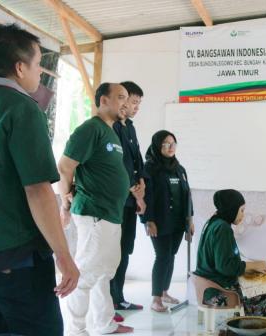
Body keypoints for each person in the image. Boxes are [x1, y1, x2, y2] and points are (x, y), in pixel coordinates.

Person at [0, 24, 79, 336]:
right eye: (38, 64)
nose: (40, 73)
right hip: (13, 254)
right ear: (20, 66)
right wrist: (64, 257)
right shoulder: (21, 108)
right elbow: (38, 190)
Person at [58, 83, 133, 334]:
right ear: (103, 100)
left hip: (110, 215)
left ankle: (104, 324)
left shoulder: (111, 132)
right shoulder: (91, 129)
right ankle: (76, 330)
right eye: (120, 97)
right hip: (94, 214)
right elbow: (65, 166)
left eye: (127, 98)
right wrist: (65, 200)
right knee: (86, 275)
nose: (126, 102)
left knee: (104, 272)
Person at [194, 189, 266, 321]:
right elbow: (225, 267)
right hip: (217, 291)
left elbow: (221, 258)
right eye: (241, 210)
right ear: (231, 209)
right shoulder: (223, 229)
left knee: (257, 275)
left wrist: (250, 265)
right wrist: (254, 265)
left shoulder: (213, 222)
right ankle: (259, 327)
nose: (243, 215)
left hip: (205, 286)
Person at [142, 130, 195, 313]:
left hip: (178, 221)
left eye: (173, 143)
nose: (171, 147)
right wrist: (148, 220)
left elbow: (187, 195)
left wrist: (190, 219)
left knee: (170, 256)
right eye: (166, 143)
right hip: (159, 221)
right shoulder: (149, 168)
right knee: (162, 256)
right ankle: (155, 299)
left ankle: (164, 292)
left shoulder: (179, 169)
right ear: (158, 145)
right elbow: (145, 196)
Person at [110, 81, 146, 317]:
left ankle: (119, 298)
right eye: (132, 101)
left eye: (137, 103)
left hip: (131, 201)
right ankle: (110, 301)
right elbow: (118, 166)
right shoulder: (110, 127)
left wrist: (142, 184)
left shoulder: (130, 128)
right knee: (112, 253)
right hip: (116, 201)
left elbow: (137, 161)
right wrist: (134, 189)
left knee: (125, 250)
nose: (134, 107)